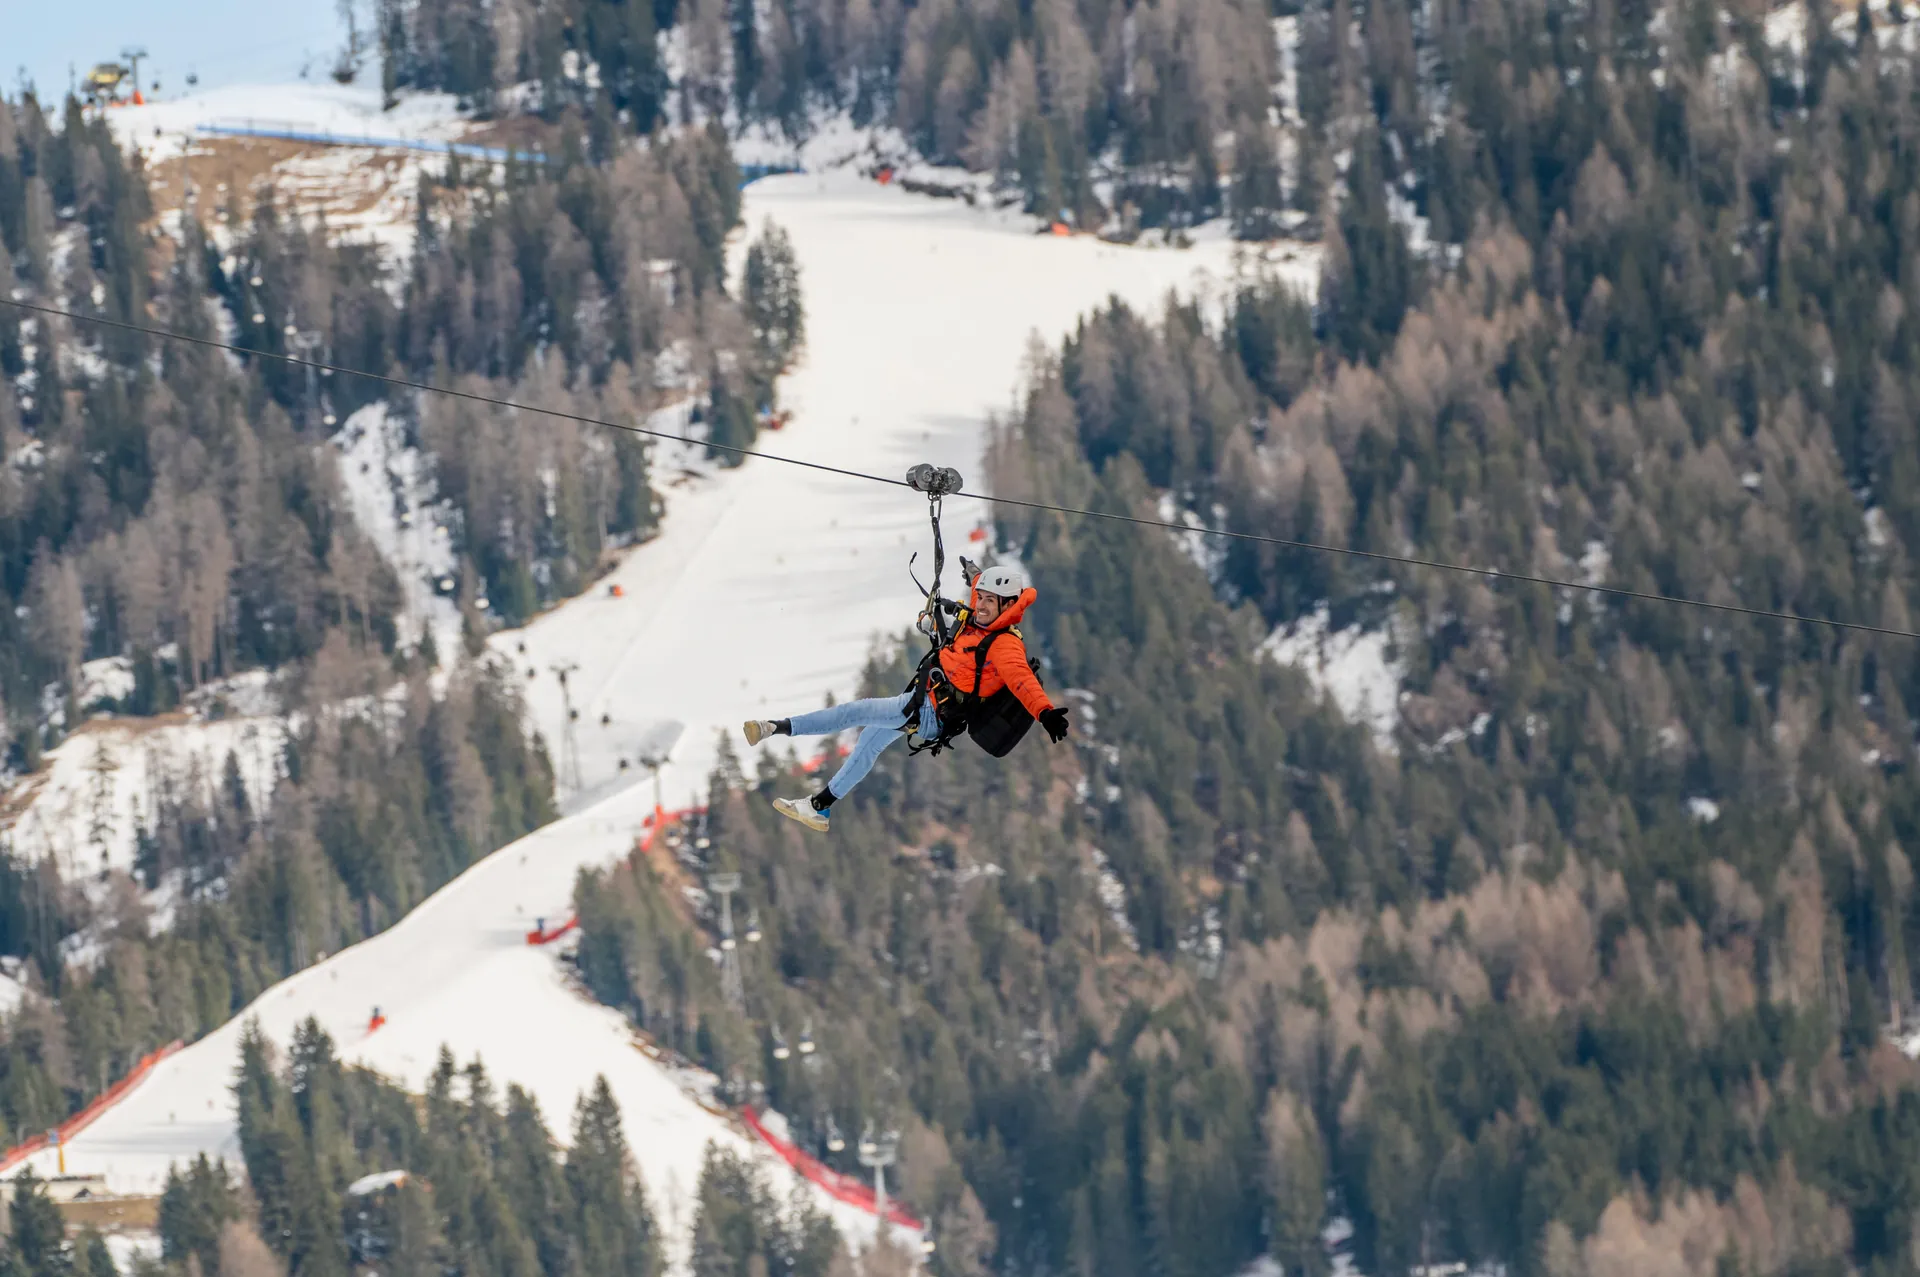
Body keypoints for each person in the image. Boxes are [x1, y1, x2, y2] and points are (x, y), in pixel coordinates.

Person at [743, 564, 1070, 831]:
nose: (980, 605)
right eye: (979, 597)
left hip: (930, 713)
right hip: (925, 698)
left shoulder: (1005, 646)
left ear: (1008, 605)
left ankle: (777, 727)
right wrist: (975, 574)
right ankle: (820, 807)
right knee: (870, 740)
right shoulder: (979, 622)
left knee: (855, 713)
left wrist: (1046, 713)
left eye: (989, 600)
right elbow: (980, 598)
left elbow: (1023, 682)